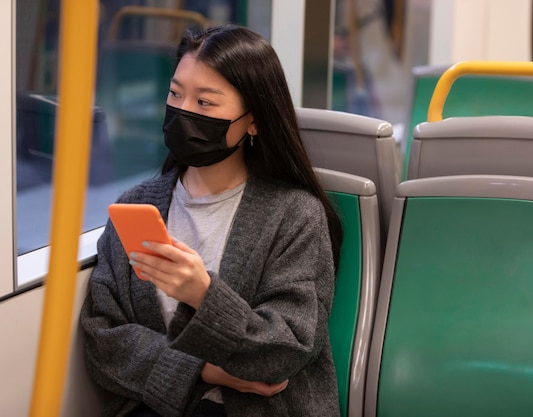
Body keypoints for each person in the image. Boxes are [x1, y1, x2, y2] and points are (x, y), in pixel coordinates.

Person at [80, 24, 343, 417]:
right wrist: (202, 371)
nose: (183, 112)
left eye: (205, 103)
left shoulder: (294, 215)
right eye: (175, 94)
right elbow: (104, 337)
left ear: (253, 121)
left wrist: (203, 296)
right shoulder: (136, 207)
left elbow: (287, 348)